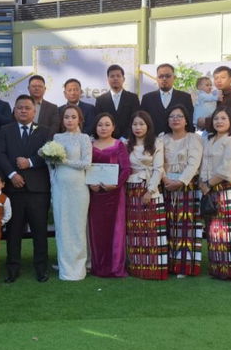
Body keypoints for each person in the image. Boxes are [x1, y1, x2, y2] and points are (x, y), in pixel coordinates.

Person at [0, 95, 51, 283]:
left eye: (27, 108)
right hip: (14, 189)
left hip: (38, 190)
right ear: (14, 110)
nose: (23, 111)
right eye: (19, 108)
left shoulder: (45, 131)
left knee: (39, 231)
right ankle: (12, 268)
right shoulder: (5, 130)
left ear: (34, 111)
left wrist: (30, 162)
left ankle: (41, 268)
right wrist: (12, 174)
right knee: (14, 231)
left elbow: (50, 156)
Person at [199, 107, 231, 280]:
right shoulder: (209, 140)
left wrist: (208, 184)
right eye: (216, 118)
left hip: (226, 187)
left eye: (223, 118)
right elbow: (203, 164)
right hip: (208, 189)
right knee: (213, 230)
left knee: (228, 230)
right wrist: (202, 184)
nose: (219, 122)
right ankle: (216, 268)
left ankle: (229, 270)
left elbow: (228, 167)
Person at [49, 105, 92, 281]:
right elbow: (52, 165)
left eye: (73, 117)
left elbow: (86, 163)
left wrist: (64, 160)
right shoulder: (56, 137)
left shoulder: (84, 138)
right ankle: (64, 265)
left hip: (79, 187)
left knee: (77, 226)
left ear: (79, 119)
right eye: (67, 117)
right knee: (62, 226)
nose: (69, 120)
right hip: (60, 187)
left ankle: (79, 267)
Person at [161, 105, 203, 277]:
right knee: (168, 225)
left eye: (179, 116)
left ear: (186, 120)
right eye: (172, 116)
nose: (175, 119)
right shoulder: (162, 139)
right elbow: (157, 163)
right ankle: (169, 263)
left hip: (187, 186)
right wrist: (165, 180)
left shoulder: (194, 139)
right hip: (165, 185)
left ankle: (184, 267)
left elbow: (194, 163)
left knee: (186, 226)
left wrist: (180, 181)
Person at [88, 113, 131, 277]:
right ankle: (98, 267)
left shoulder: (119, 145)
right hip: (95, 194)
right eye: (100, 125)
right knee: (97, 231)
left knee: (116, 231)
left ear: (113, 127)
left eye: (107, 124)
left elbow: (126, 169)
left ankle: (115, 267)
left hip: (114, 194)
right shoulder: (90, 145)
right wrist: (90, 184)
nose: (103, 128)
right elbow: (86, 168)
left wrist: (115, 185)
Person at [125, 110, 167, 280]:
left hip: (150, 187)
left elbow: (158, 169)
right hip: (130, 188)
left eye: (141, 124)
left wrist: (150, 191)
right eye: (135, 124)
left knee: (152, 229)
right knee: (135, 229)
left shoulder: (157, 143)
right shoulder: (125, 144)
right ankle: (136, 267)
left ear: (148, 126)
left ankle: (154, 268)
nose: (138, 127)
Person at [141, 63, 193, 136]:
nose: (164, 79)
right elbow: (143, 121)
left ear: (174, 77)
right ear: (157, 78)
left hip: (178, 141)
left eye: (168, 76)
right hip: (153, 141)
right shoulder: (147, 98)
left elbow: (189, 121)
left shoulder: (185, 97)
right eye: (161, 76)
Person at [95, 64, 140, 139]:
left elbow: (135, 120)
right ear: (108, 79)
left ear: (123, 79)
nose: (115, 78)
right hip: (107, 141)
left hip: (128, 141)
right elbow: (98, 123)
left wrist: (124, 138)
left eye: (118, 76)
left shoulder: (133, 98)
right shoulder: (100, 100)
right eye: (112, 76)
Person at [206, 66, 231, 136]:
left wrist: (205, 121)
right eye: (216, 78)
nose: (219, 81)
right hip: (214, 137)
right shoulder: (213, 96)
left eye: (223, 77)